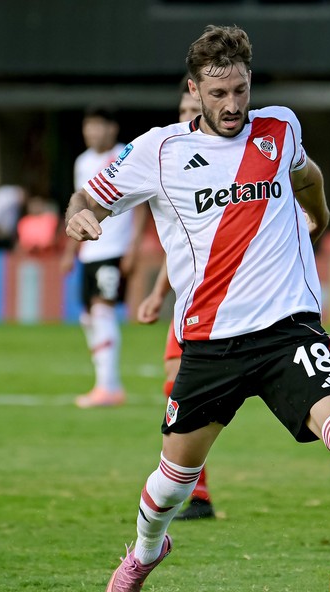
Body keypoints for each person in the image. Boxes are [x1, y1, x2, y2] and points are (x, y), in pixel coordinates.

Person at [65, 24, 330, 592]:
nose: (233, 104)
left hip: (290, 330)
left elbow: (307, 175)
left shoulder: (280, 128)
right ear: (194, 91)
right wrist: (78, 219)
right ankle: (144, 552)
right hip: (210, 343)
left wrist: (318, 215)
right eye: (219, 94)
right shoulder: (158, 151)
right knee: (171, 482)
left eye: (241, 90)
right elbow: (87, 199)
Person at [135, 79, 217, 521]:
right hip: (189, 303)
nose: (189, 115)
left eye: (194, 108)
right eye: (184, 109)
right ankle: (196, 492)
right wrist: (157, 293)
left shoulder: (223, 165)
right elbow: (182, 246)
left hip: (231, 304)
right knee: (177, 387)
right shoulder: (168, 159)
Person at [61, 105, 148, 408]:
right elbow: (79, 209)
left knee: (102, 312)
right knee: (88, 317)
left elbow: (139, 205)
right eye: (89, 126)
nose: (93, 131)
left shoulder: (125, 155)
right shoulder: (82, 162)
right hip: (89, 252)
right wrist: (70, 250)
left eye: (99, 125)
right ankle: (105, 382)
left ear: (112, 128)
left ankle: (108, 386)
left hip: (113, 249)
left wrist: (133, 247)